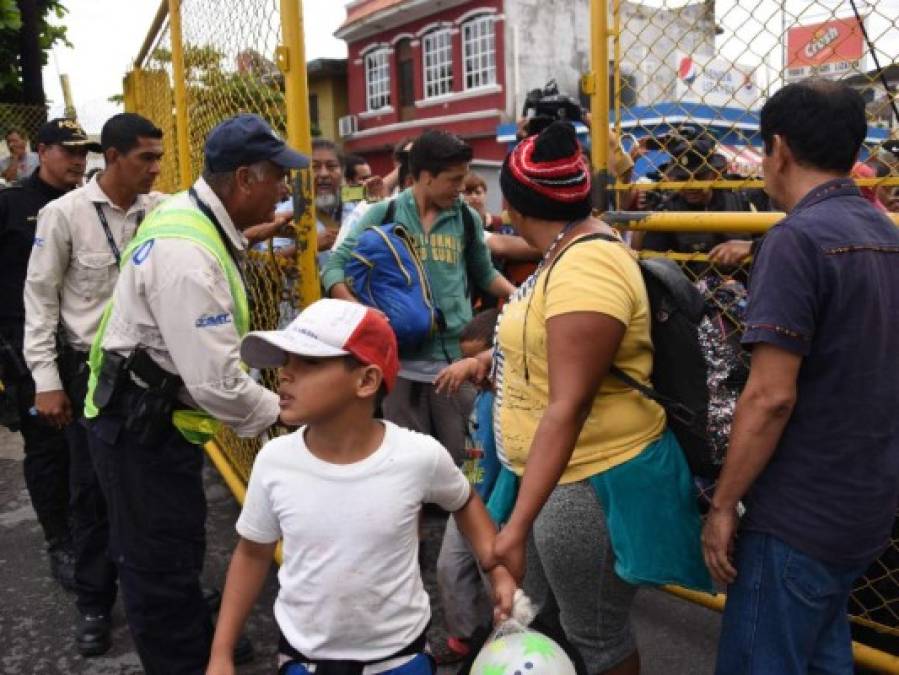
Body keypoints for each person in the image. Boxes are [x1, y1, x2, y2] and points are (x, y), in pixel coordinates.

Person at [462, 121, 708, 675]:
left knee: (596, 634)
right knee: (553, 622)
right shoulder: (564, 250)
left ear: (515, 201)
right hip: (555, 474)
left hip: (589, 476)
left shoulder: (588, 266)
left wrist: (519, 525)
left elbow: (568, 404)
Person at [82, 112, 307, 675]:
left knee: (169, 548)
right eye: (277, 177)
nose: (284, 190)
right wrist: (287, 414)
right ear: (244, 179)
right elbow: (218, 385)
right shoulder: (187, 254)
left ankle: (193, 638)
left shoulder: (192, 218)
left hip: (152, 418)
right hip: (140, 429)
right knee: (158, 564)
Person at [701, 80, 899, 675]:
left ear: (778, 148)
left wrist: (723, 506)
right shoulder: (888, 236)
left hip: (798, 514)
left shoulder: (795, 240)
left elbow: (769, 397)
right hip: (867, 505)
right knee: (823, 654)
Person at [206, 298, 515, 675]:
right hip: (305, 660)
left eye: (309, 363)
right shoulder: (275, 460)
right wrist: (220, 653)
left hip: (401, 659)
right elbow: (253, 553)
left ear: (366, 380)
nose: (285, 375)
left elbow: (463, 500)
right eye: (286, 361)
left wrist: (494, 566)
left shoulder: (417, 456)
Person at [23, 112, 165, 657]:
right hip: (91, 373)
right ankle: (94, 601)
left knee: (154, 488)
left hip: (153, 373)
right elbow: (39, 303)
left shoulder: (164, 211)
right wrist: (45, 381)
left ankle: (161, 589)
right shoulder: (63, 215)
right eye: (145, 158)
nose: (155, 168)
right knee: (91, 493)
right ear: (112, 157)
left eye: (159, 157)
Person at [323, 130, 514, 464]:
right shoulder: (382, 214)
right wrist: (365, 315)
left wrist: (521, 296)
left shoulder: (465, 220)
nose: (460, 189)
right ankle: (418, 517)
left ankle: (464, 514)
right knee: (407, 463)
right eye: (453, 180)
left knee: (468, 458)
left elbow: (484, 273)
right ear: (425, 177)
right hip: (400, 366)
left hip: (457, 364)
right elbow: (333, 269)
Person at [0, 118, 97, 590]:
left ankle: (96, 533)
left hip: (83, 346)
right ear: (42, 151)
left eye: (84, 152)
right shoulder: (11, 205)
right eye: (68, 151)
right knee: (47, 450)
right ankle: (61, 540)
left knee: (94, 445)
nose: (78, 160)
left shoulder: (91, 205)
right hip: (28, 350)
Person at [434, 308, 502, 660]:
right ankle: (464, 638)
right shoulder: (479, 396)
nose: (471, 371)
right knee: (450, 569)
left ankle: (504, 643)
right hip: (468, 497)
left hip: (499, 507)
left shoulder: (511, 402)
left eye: (478, 361)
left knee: (497, 581)